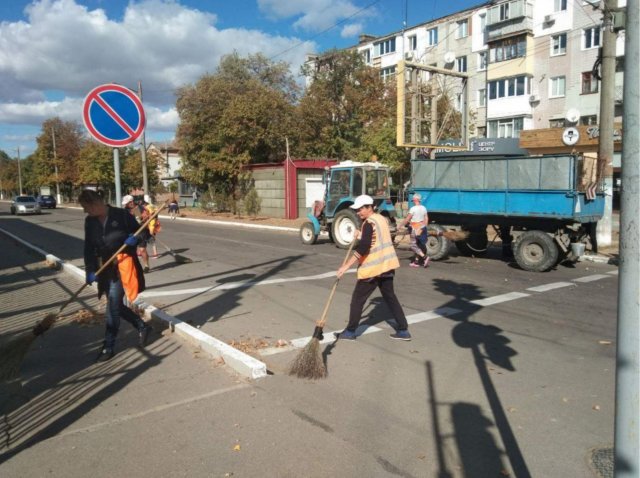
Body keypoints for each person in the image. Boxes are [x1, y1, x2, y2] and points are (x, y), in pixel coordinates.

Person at [79, 190, 152, 362]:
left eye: (86, 207)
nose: (85, 211)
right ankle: (142, 326)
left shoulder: (121, 215)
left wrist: (134, 240)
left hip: (122, 265)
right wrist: (90, 269)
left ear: (95, 203)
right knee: (116, 304)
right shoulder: (90, 221)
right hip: (104, 268)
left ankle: (108, 346)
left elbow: (143, 233)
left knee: (112, 304)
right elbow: (88, 247)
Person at [335, 195, 412, 341]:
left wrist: (345, 266)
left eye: (360, 209)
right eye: (357, 210)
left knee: (357, 300)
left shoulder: (369, 223)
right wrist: (361, 235)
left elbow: (364, 247)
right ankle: (403, 330)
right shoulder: (380, 219)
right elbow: (375, 238)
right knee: (390, 298)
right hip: (387, 266)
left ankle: (350, 331)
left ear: (369, 207)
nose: (358, 212)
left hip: (373, 269)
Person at [122, 195, 152, 272]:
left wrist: (143, 219)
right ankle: (135, 266)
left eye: (127, 203)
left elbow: (146, 217)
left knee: (142, 250)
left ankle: (146, 266)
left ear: (131, 202)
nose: (125, 205)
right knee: (132, 251)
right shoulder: (126, 210)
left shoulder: (139, 208)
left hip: (141, 232)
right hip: (131, 233)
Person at [400, 193, 430, 268]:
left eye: (413, 200)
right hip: (422, 228)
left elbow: (407, 219)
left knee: (413, 245)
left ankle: (425, 257)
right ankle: (416, 262)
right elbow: (426, 218)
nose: (413, 201)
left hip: (415, 229)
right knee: (418, 245)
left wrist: (400, 226)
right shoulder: (424, 208)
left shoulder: (413, 209)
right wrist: (424, 226)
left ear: (415, 200)